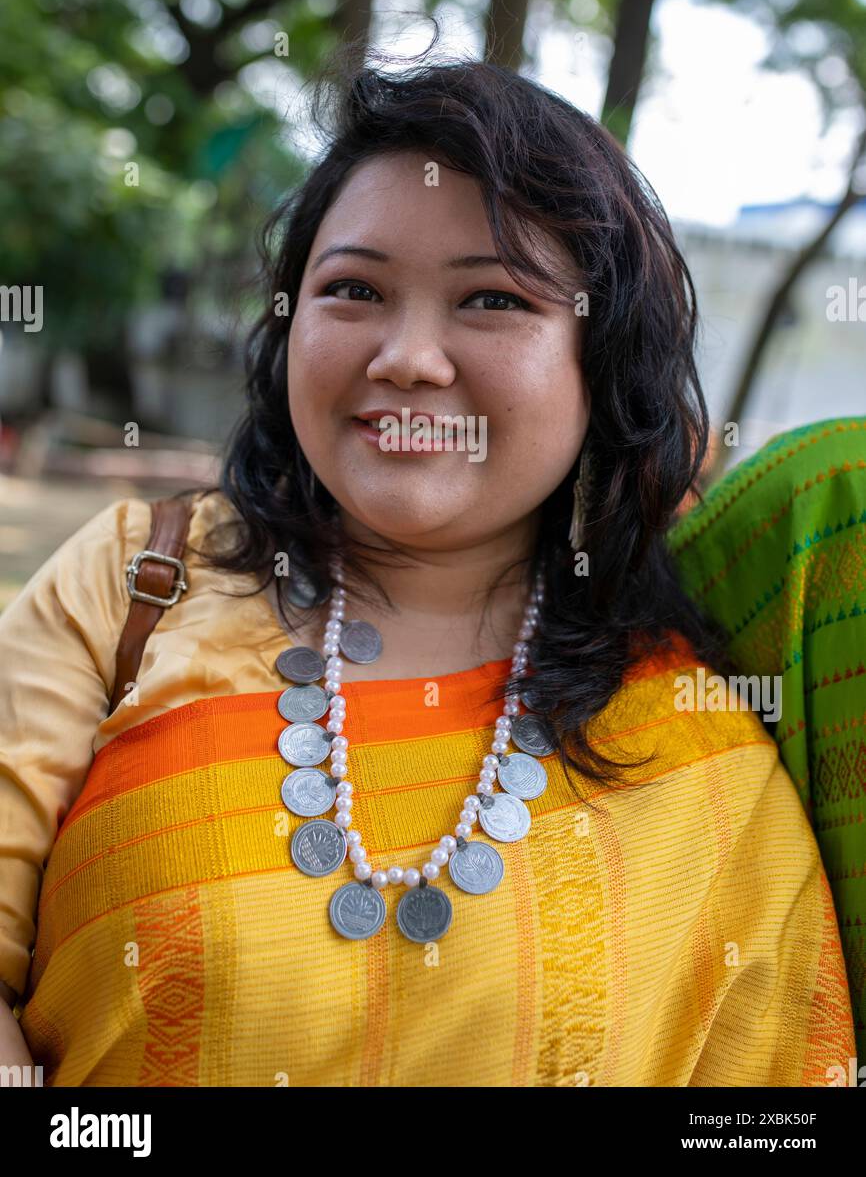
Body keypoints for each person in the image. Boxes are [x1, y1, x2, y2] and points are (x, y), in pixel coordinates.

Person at [0, 58, 855, 1087]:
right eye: (352, 289)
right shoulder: (135, 580)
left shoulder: (689, 745)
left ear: (601, 359)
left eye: (491, 299)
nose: (406, 355)